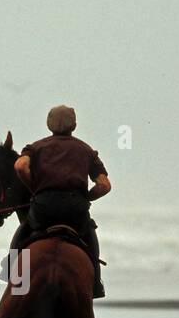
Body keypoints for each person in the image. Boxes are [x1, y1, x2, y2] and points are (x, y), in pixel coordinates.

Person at [9, 105, 110, 298]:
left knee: (24, 231)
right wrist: (86, 197)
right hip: (75, 209)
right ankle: (96, 283)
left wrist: (35, 189)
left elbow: (20, 166)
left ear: (48, 124)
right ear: (75, 125)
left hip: (44, 207)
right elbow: (105, 185)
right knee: (89, 235)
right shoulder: (87, 151)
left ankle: (10, 272)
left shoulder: (36, 147)